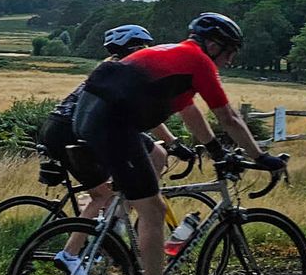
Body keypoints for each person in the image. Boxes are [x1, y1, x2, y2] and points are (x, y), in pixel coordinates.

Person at [72, 12, 285, 275]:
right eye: (229, 50)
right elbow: (228, 117)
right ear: (212, 45)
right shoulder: (198, 61)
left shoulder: (178, 58)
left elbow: (190, 111)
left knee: (142, 198)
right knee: (154, 210)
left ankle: (118, 247)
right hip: (112, 125)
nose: (231, 59)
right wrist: (261, 157)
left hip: (94, 117)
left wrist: (216, 152)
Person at [39, 25, 193, 261]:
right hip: (71, 131)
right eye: (144, 46)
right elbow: (146, 116)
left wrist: (170, 143)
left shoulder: (112, 68)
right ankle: (73, 254)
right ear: (134, 48)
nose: (147, 51)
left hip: (70, 128)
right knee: (103, 194)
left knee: (154, 156)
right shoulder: (126, 74)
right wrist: (174, 143)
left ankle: (115, 223)